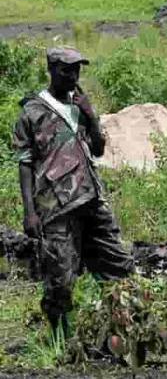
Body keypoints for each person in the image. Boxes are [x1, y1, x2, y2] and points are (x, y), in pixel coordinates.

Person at [13, 47, 134, 336]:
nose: (73, 76)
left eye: (77, 70)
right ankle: (60, 342)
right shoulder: (32, 112)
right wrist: (30, 213)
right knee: (60, 280)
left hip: (91, 200)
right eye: (66, 70)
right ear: (52, 69)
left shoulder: (80, 106)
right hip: (55, 207)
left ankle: (121, 335)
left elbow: (99, 149)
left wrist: (91, 116)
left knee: (118, 265)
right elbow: (25, 164)